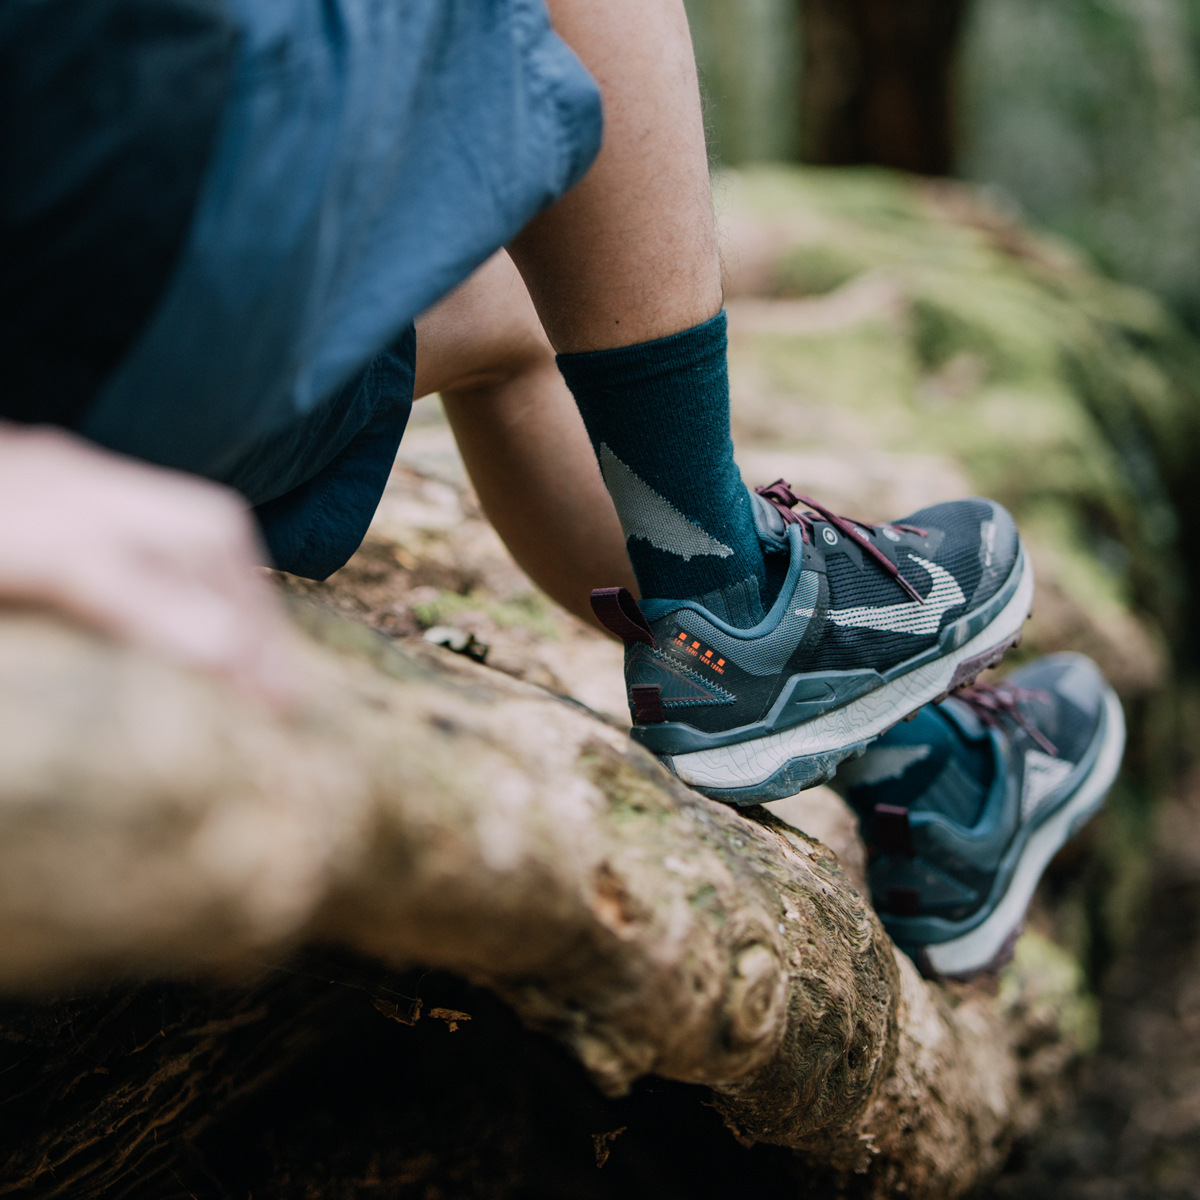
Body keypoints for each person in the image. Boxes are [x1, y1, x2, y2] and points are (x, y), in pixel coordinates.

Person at [0, 0, 1123, 974]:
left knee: (517, 313)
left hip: (93, 397)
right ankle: (733, 591)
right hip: (99, 332)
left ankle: (917, 765)